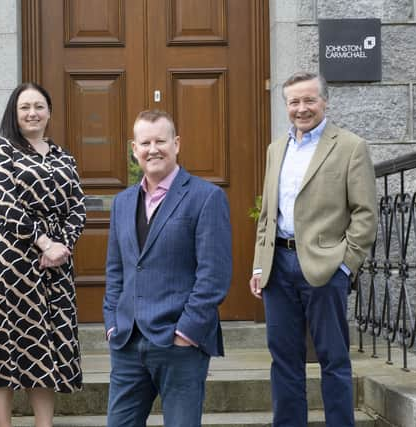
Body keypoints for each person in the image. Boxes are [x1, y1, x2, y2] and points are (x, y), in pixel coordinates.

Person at [249, 72, 378, 427]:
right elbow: (267, 214)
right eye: (294, 102)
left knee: (333, 360)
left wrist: (346, 265)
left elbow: (365, 214)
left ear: (324, 101)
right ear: (286, 105)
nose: (301, 108)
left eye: (309, 100)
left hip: (326, 267)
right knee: (284, 361)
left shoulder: (350, 147)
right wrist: (260, 265)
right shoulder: (277, 149)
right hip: (279, 267)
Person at [103, 109, 232, 427]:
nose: (152, 149)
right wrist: (112, 322)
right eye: (145, 142)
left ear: (176, 144)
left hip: (179, 343)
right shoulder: (122, 202)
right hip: (128, 342)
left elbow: (213, 275)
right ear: (134, 148)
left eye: (160, 141)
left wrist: (187, 331)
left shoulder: (206, 197)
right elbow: (116, 270)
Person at [0, 82, 86, 427]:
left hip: (55, 266)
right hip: (9, 263)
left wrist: (61, 246)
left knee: (44, 345)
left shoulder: (64, 156)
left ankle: (44, 424)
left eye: (39, 106)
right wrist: (43, 241)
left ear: (49, 112)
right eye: (25, 107)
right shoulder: (1, 150)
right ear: (14, 113)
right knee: (2, 343)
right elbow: (5, 203)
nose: (32, 113)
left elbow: (77, 206)